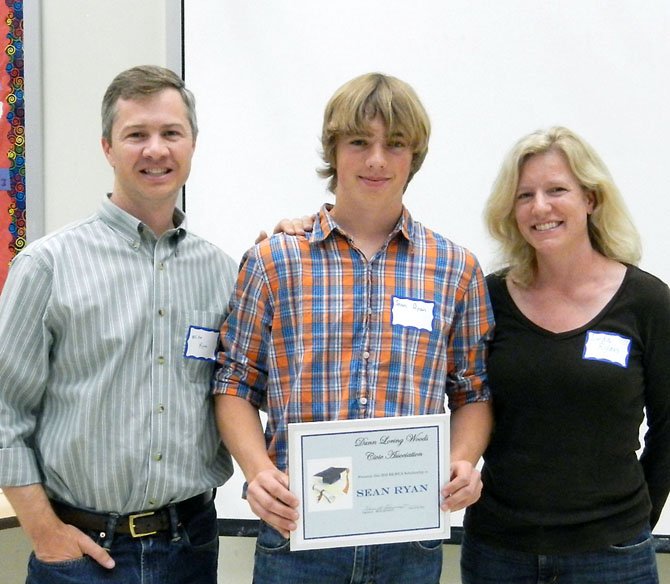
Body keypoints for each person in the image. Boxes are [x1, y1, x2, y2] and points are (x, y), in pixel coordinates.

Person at [212, 72, 495, 584]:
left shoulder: (456, 269)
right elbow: (233, 381)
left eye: (396, 144)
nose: (377, 160)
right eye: (359, 142)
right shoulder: (274, 262)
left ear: (415, 156)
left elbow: (473, 390)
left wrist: (461, 461)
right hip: (298, 532)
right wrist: (257, 473)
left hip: (409, 539)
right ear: (333, 148)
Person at [0, 65, 240, 583]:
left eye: (171, 133)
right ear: (108, 147)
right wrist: (43, 531)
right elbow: (4, 412)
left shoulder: (223, 273)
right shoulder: (47, 266)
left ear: (192, 144)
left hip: (190, 547)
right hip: (80, 552)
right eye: (137, 135)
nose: (156, 149)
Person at [461, 126, 670, 583]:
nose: (540, 207)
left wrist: (633, 523)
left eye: (557, 190)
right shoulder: (488, 298)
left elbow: (669, 426)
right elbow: (464, 399)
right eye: (524, 195)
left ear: (591, 199)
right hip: (499, 552)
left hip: (612, 556)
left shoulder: (647, 302)